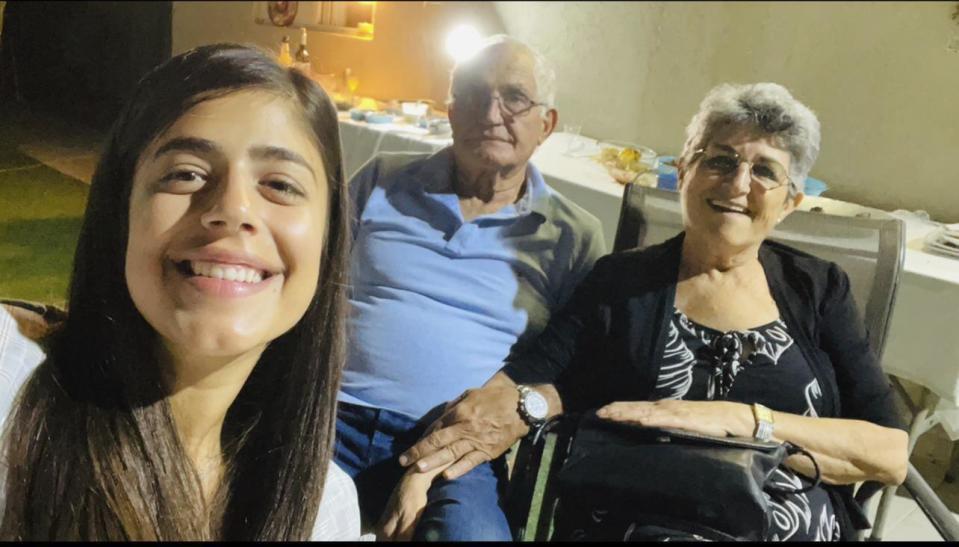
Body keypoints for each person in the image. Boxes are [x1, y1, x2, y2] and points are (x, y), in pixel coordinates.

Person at [402, 82, 909, 541]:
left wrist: (739, 420)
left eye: (764, 171)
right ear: (683, 172)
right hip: (645, 520)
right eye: (720, 160)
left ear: (790, 201)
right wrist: (432, 461)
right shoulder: (622, 282)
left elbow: (888, 453)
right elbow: (530, 382)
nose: (737, 184)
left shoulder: (818, 290)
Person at [0, 44, 362, 541]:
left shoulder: (323, 510)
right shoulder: (9, 385)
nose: (233, 209)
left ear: (328, 239)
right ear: (120, 213)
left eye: (280, 184)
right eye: (185, 173)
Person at [335, 35, 606, 540]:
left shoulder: (573, 234)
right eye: (475, 94)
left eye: (515, 98)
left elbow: (575, 366)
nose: (491, 111)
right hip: (332, 418)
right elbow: (309, 283)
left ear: (545, 124)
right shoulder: (381, 178)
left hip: (462, 444)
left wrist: (434, 461)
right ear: (451, 109)